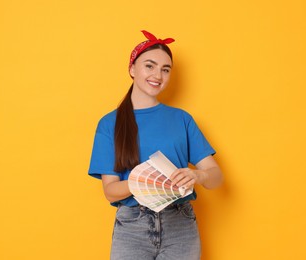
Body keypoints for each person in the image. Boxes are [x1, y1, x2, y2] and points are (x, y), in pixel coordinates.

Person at [88, 30, 223, 260]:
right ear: (132, 69)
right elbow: (110, 192)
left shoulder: (182, 119)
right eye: (149, 66)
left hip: (180, 225)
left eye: (165, 69)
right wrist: (145, 181)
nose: (158, 75)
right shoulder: (110, 123)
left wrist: (197, 176)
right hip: (132, 228)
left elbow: (216, 176)